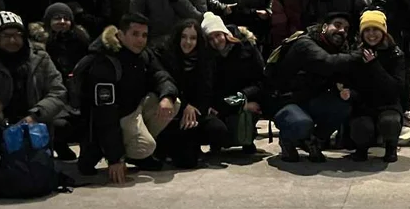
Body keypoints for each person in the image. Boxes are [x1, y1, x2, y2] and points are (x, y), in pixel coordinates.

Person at [0, 11, 68, 183]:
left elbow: (58, 91)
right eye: (6, 36)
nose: (13, 40)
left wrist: (36, 114)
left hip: (33, 118)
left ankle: (40, 170)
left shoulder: (40, 57)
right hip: (0, 119)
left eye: (17, 35)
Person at [75, 13, 179, 181]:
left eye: (144, 35)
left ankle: (137, 153)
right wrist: (115, 158)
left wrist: (167, 96)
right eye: (135, 34)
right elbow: (104, 114)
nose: (140, 40)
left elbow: (160, 75)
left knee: (173, 103)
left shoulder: (143, 54)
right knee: (146, 146)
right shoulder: (104, 62)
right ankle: (130, 151)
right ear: (120, 35)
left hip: (131, 110)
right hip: (106, 121)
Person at [267, 14, 368, 162]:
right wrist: (358, 55)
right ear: (325, 27)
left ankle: (312, 140)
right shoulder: (304, 43)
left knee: (342, 107)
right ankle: (287, 140)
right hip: (286, 101)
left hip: (311, 99)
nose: (342, 31)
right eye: (337, 25)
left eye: (346, 29)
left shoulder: (337, 48)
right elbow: (327, 62)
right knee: (302, 123)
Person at [151, 18, 230, 169]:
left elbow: (206, 91)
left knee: (218, 130)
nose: (188, 42)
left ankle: (191, 145)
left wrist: (194, 112)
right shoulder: (165, 55)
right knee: (186, 162)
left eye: (193, 38)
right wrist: (185, 107)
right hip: (173, 113)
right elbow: (166, 85)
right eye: (184, 37)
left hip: (195, 113)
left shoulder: (205, 58)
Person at [31, 2, 91, 160]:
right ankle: (57, 145)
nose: (62, 22)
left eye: (66, 18)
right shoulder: (38, 48)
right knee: (59, 124)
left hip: (77, 93)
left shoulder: (81, 40)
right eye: (57, 18)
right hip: (50, 95)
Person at [203, 12, 267, 157]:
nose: (216, 41)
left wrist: (243, 99)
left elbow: (261, 81)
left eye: (218, 35)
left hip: (245, 96)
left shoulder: (247, 48)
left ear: (225, 33)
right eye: (211, 38)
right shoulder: (209, 57)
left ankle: (247, 138)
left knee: (248, 111)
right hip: (222, 102)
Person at [347, 10, 405, 162]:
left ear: (383, 31)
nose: (371, 34)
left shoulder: (395, 54)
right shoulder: (355, 52)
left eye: (376, 29)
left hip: (388, 104)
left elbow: (395, 89)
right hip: (364, 104)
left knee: (390, 122)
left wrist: (374, 65)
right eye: (367, 30)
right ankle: (361, 148)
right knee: (361, 127)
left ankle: (391, 147)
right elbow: (352, 82)